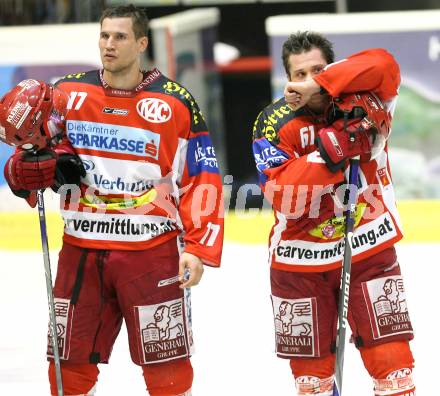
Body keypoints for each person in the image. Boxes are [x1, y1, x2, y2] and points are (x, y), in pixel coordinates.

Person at [1, 4, 223, 396]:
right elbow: (27, 157)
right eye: (104, 36)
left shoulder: (175, 102)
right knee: (66, 367)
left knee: (167, 370)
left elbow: (201, 177)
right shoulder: (67, 93)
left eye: (119, 37)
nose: (109, 44)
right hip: (81, 250)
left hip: (150, 252)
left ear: (141, 43)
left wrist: (199, 248)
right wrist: (24, 172)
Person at [252, 32, 415, 396]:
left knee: (395, 370)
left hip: (368, 250)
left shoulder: (367, 98)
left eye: (319, 71)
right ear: (288, 80)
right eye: (300, 75)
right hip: (297, 263)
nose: (309, 81)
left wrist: (322, 84)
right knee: (312, 383)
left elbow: (385, 61)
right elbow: (284, 193)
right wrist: (332, 152)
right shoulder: (273, 122)